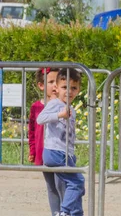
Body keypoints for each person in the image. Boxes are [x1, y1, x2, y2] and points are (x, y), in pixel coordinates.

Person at [37, 68, 85, 216]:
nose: (69, 92)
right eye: (65, 87)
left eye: (74, 88)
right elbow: (40, 119)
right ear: (56, 88)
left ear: (78, 90)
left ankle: (74, 213)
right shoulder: (55, 104)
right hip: (55, 152)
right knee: (77, 183)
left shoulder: (71, 108)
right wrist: (60, 115)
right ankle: (63, 212)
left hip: (65, 153)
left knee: (78, 187)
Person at [29, 67, 66, 216]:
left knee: (61, 183)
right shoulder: (36, 106)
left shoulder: (62, 104)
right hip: (43, 151)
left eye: (56, 81)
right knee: (51, 185)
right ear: (41, 86)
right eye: (51, 82)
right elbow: (32, 130)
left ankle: (66, 211)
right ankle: (55, 213)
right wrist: (32, 150)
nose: (54, 85)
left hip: (57, 151)